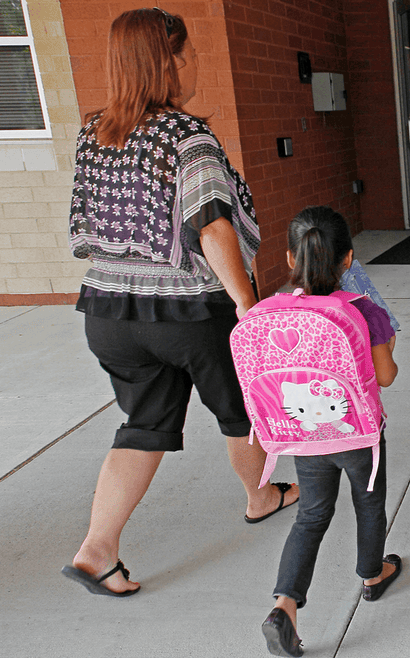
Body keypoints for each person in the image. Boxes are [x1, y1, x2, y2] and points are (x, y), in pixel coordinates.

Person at [60, 8, 299, 598]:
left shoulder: (95, 131)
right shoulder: (186, 138)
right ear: (167, 61)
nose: (193, 66)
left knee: (143, 423)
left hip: (109, 311)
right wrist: (246, 301)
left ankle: (97, 550)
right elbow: (211, 225)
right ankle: (261, 496)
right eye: (188, 55)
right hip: (188, 310)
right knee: (243, 412)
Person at [261, 207, 400, 658]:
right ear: (348, 259)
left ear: (288, 259)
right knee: (368, 503)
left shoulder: (274, 314)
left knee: (312, 517)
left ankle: (285, 604)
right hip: (358, 436)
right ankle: (372, 574)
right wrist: (387, 346)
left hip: (305, 435)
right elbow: (386, 377)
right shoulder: (363, 310)